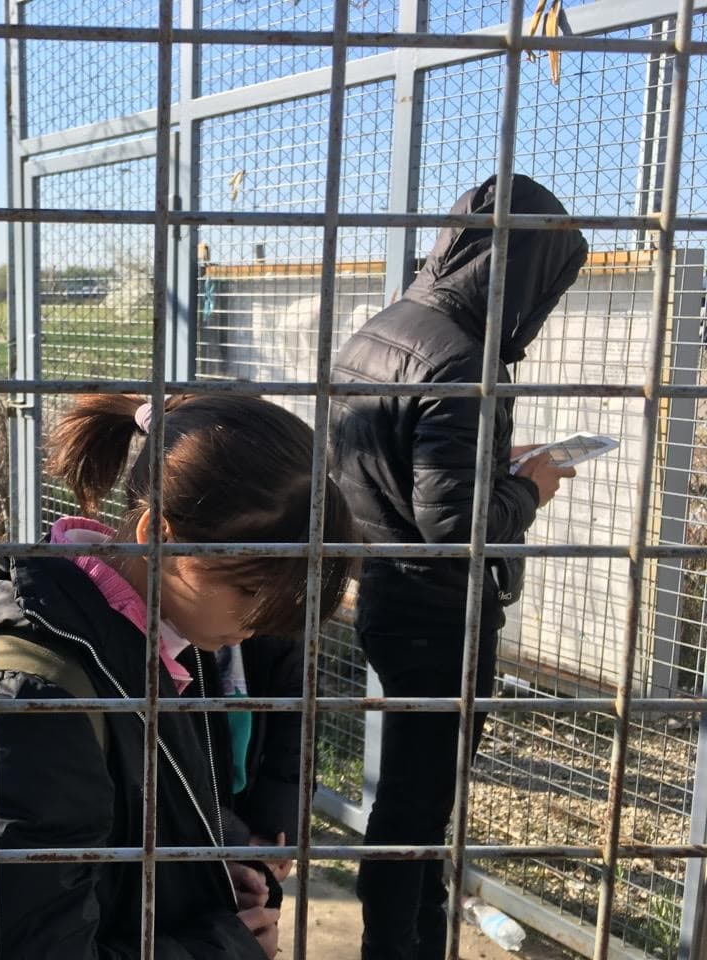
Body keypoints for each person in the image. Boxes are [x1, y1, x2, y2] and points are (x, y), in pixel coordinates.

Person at [0, 392, 357, 958]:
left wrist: (210, 860)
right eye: (247, 591)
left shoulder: (147, 632)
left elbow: (135, 804)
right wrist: (220, 948)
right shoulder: (32, 703)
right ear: (158, 536)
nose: (257, 625)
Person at [327, 173, 587, 960]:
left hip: (383, 588)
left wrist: (489, 464)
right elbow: (453, 525)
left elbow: (386, 465)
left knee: (412, 804)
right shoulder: (464, 358)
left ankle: (416, 937)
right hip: (439, 614)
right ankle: (398, 946)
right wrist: (528, 487)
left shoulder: (384, 326)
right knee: (414, 812)